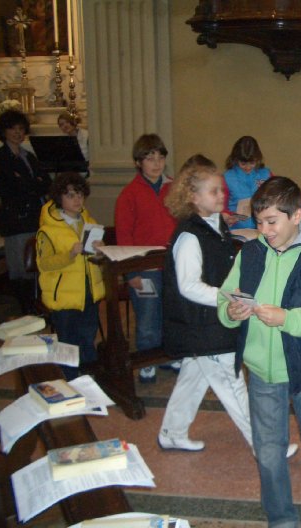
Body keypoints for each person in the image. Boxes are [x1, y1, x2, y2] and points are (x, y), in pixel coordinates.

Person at [217, 177, 301, 528]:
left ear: (296, 216)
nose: (264, 230)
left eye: (272, 222)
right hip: (262, 369)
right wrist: (231, 312)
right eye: (259, 222)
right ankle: (281, 517)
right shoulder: (251, 252)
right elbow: (225, 295)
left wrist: (287, 318)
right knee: (268, 450)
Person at [159, 154, 298, 459]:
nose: (222, 195)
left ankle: (172, 432)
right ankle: (266, 445)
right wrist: (228, 298)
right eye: (214, 191)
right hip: (201, 324)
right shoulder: (189, 235)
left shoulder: (215, 226)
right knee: (233, 384)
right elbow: (188, 285)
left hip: (210, 321)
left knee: (193, 378)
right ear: (193, 197)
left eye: (221, 189)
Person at [114, 134, 177, 384]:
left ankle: (168, 355)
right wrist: (131, 273)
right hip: (144, 268)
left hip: (171, 266)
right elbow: (124, 237)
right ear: (138, 162)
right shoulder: (129, 194)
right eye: (150, 158)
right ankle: (146, 361)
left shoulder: (173, 189)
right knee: (148, 317)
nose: (156, 163)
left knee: (170, 314)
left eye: (160, 158)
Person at [36, 172, 104, 380]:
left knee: (88, 336)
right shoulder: (48, 230)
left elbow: (95, 258)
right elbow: (44, 264)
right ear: (59, 197)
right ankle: (72, 380)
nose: (77, 200)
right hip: (64, 296)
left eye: (80, 195)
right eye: (70, 195)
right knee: (68, 342)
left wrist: (100, 250)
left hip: (88, 291)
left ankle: (90, 377)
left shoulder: (88, 221)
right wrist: (70, 254)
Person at [0, 109, 52, 314]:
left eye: (20, 129)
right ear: (4, 131)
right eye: (13, 129)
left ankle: (38, 305)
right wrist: (34, 183)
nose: (17, 133)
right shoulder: (1, 158)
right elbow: (16, 187)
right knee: (21, 266)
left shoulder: (28, 156)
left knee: (38, 262)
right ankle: (25, 310)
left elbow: (45, 182)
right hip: (17, 219)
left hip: (35, 216)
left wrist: (30, 183)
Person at [223, 135, 272, 230]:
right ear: (235, 160)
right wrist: (226, 216)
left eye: (252, 163)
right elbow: (222, 207)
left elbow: (275, 200)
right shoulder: (228, 177)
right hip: (236, 229)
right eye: (243, 164)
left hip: (262, 228)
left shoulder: (266, 174)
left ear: (258, 159)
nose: (248, 167)